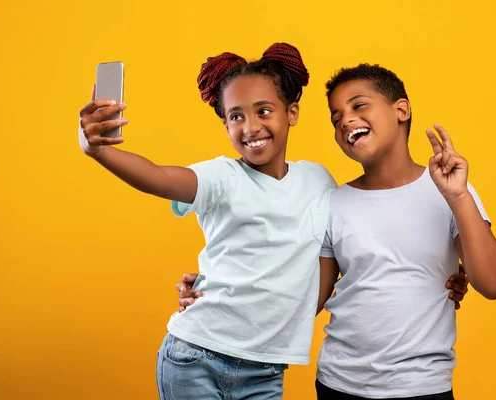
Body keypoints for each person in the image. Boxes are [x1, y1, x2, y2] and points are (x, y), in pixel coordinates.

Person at [177, 64, 496, 400]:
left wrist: (457, 197)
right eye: (336, 119)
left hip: (423, 386)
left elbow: (495, 283)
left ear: (401, 110)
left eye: (358, 105)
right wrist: (219, 295)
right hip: (339, 383)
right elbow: (303, 296)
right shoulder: (333, 202)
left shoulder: (451, 192)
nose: (346, 121)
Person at [79, 42, 335, 400]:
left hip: (265, 370)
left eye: (264, 111)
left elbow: (331, 252)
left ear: (291, 113)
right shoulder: (222, 177)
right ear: (225, 123)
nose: (250, 127)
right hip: (196, 357)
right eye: (236, 116)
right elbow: (157, 176)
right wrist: (98, 149)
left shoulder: (318, 181)